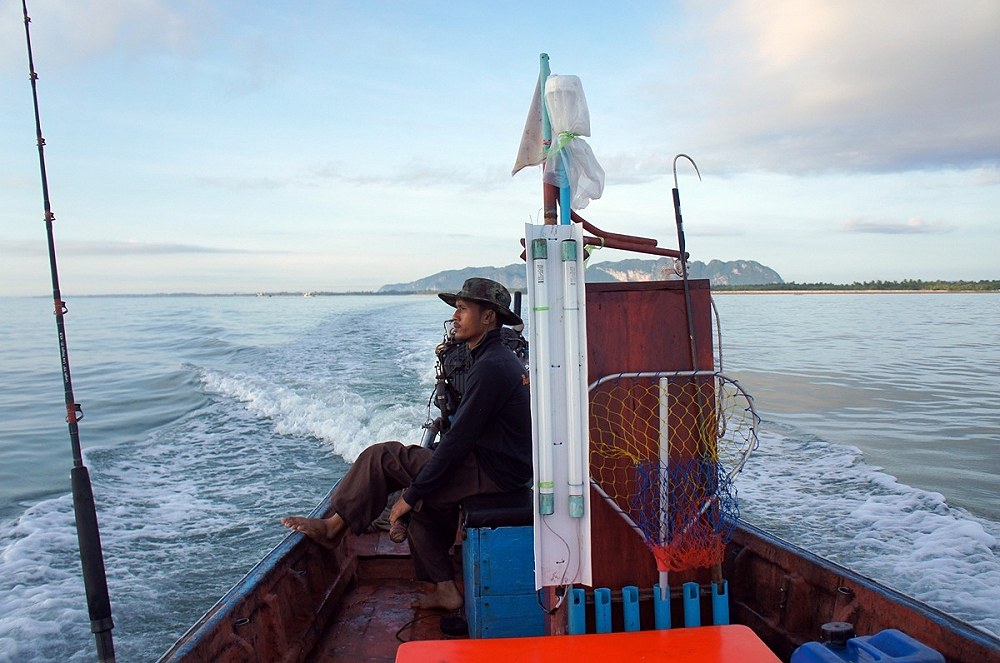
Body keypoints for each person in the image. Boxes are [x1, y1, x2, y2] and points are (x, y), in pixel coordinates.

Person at [281, 277, 532, 611]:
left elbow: (457, 441)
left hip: (493, 472)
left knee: (382, 456)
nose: (455, 317)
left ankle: (333, 528)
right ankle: (445, 590)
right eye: (455, 309)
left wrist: (408, 498)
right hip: (497, 465)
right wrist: (418, 493)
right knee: (426, 496)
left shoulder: (491, 367)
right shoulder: (493, 359)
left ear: (488, 317)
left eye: (462, 309)